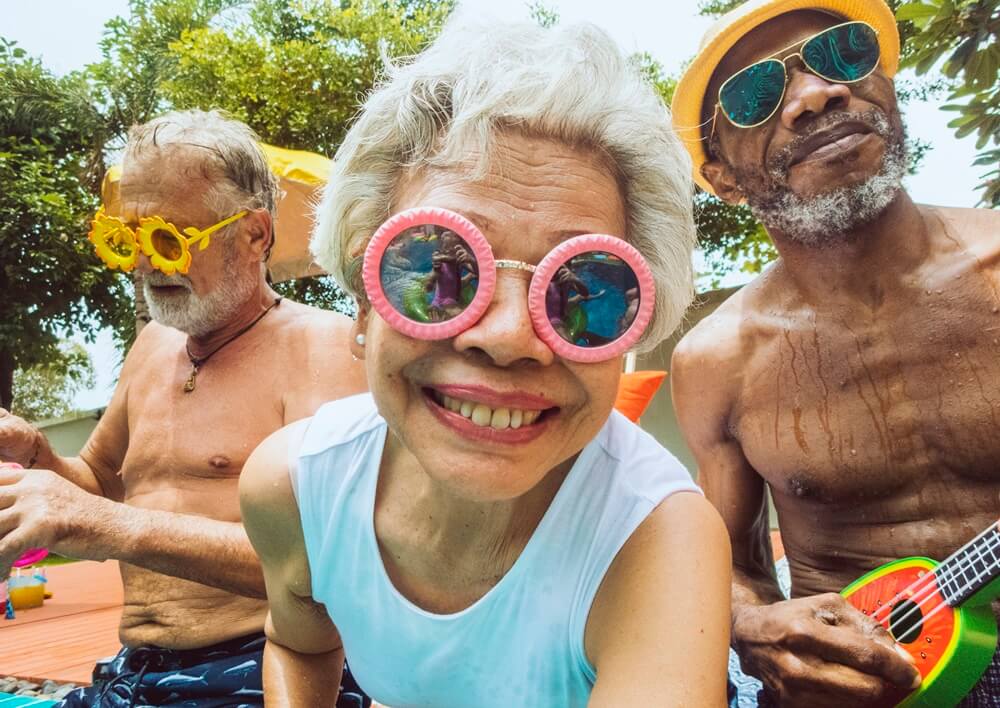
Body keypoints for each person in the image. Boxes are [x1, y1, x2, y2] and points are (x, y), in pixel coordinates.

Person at [239, 18, 732, 708]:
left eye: (584, 292)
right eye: (437, 271)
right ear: (360, 308)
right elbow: (296, 643)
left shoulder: (654, 539)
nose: (507, 337)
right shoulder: (295, 485)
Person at [668, 0, 1000, 706]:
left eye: (843, 54)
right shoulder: (717, 360)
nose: (817, 94)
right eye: (757, 94)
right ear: (725, 179)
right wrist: (753, 621)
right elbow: (730, 562)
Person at [0, 110, 369, 707]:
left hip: (259, 667)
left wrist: (107, 526)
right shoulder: (152, 345)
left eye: (170, 240)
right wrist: (38, 456)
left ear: (255, 234)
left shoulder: (320, 348)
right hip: (132, 670)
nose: (146, 264)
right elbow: (101, 482)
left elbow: (331, 564)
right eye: (129, 239)